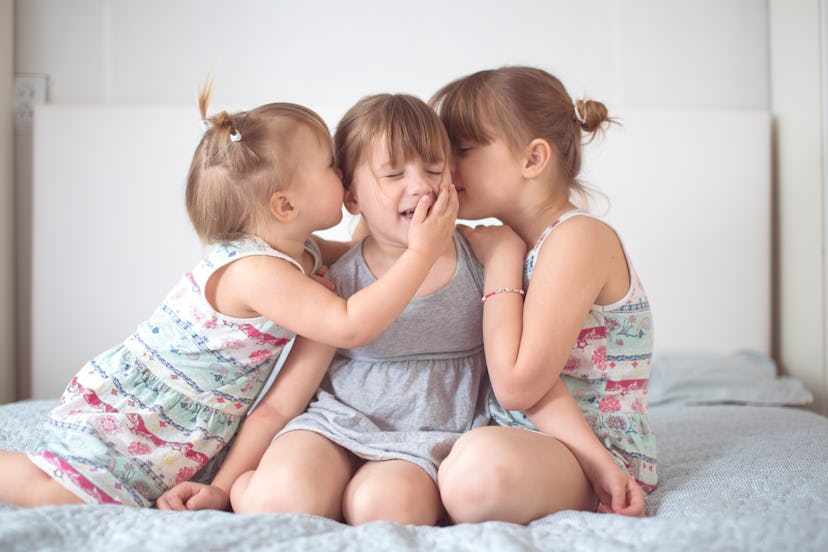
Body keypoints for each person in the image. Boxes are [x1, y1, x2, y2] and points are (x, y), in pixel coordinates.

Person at [0, 84, 458, 509]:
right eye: (330, 165)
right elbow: (350, 322)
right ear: (285, 205)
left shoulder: (301, 252)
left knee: (115, 490)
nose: (341, 173)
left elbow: (366, 252)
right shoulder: (257, 272)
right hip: (145, 412)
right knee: (62, 491)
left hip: (186, 422)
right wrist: (422, 252)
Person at [160, 93, 490, 526]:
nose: (422, 186)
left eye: (434, 169)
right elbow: (283, 403)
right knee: (281, 497)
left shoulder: (481, 255)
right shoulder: (332, 277)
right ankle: (265, 491)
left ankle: (347, 497)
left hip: (424, 435)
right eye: (393, 173)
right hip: (333, 424)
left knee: (385, 508)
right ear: (352, 197)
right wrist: (222, 486)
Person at [429, 66, 656, 522]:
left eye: (464, 150)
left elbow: (517, 386)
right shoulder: (499, 240)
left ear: (533, 159)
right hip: (513, 433)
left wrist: (500, 263)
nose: (445, 167)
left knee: (476, 474)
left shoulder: (578, 239)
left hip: (594, 451)